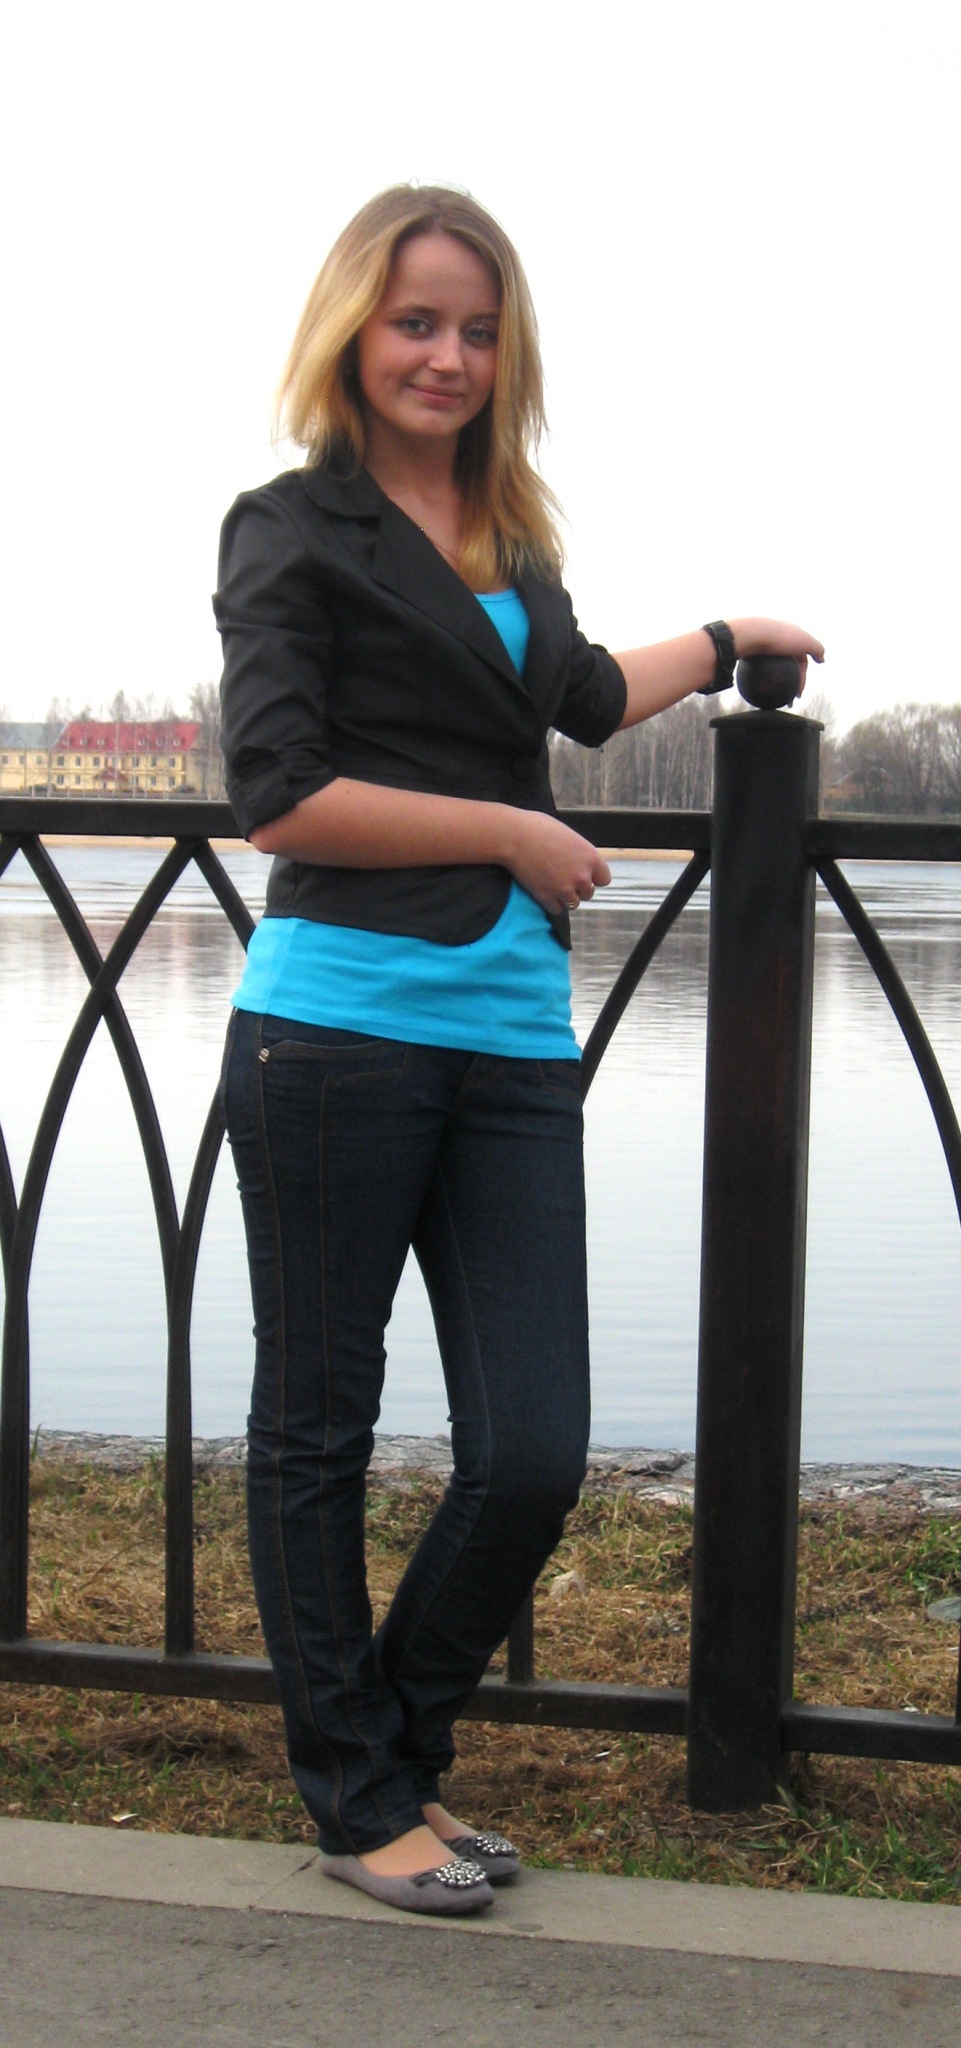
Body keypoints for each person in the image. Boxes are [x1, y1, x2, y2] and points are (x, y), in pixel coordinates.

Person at [215, 184, 823, 1917]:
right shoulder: (288, 530)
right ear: (353, 329)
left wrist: (726, 644)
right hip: (332, 1031)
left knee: (533, 1449)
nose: (447, 356)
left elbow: (577, 697)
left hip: (506, 1041)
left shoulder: (507, 534)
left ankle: (389, 1756)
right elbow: (278, 795)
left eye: (477, 330)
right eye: (415, 321)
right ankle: (360, 1802)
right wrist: (503, 831)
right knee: (316, 1432)